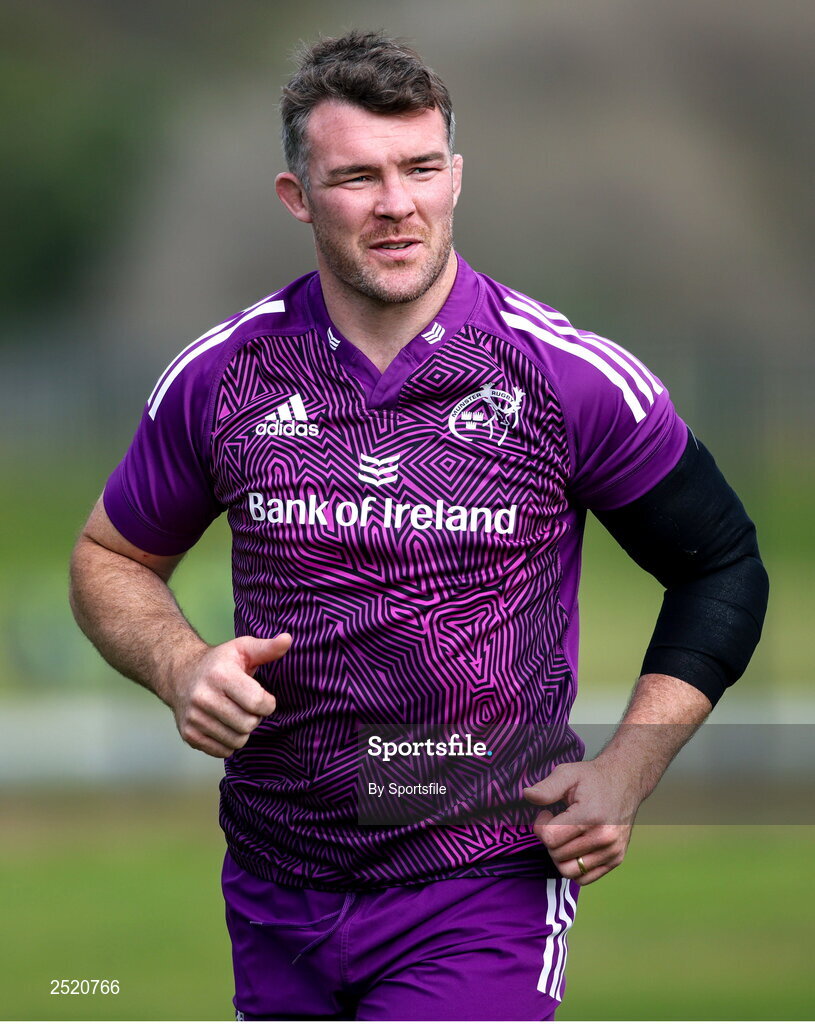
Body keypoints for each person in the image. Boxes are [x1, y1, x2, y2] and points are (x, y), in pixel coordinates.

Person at [69, 30, 768, 1022]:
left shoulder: (567, 378)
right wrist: (180, 665)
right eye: (356, 176)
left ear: (455, 177)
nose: (396, 203)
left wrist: (626, 770)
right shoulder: (221, 377)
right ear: (297, 196)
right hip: (274, 879)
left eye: (420, 168)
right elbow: (110, 558)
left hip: (483, 878)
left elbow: (722, 567)